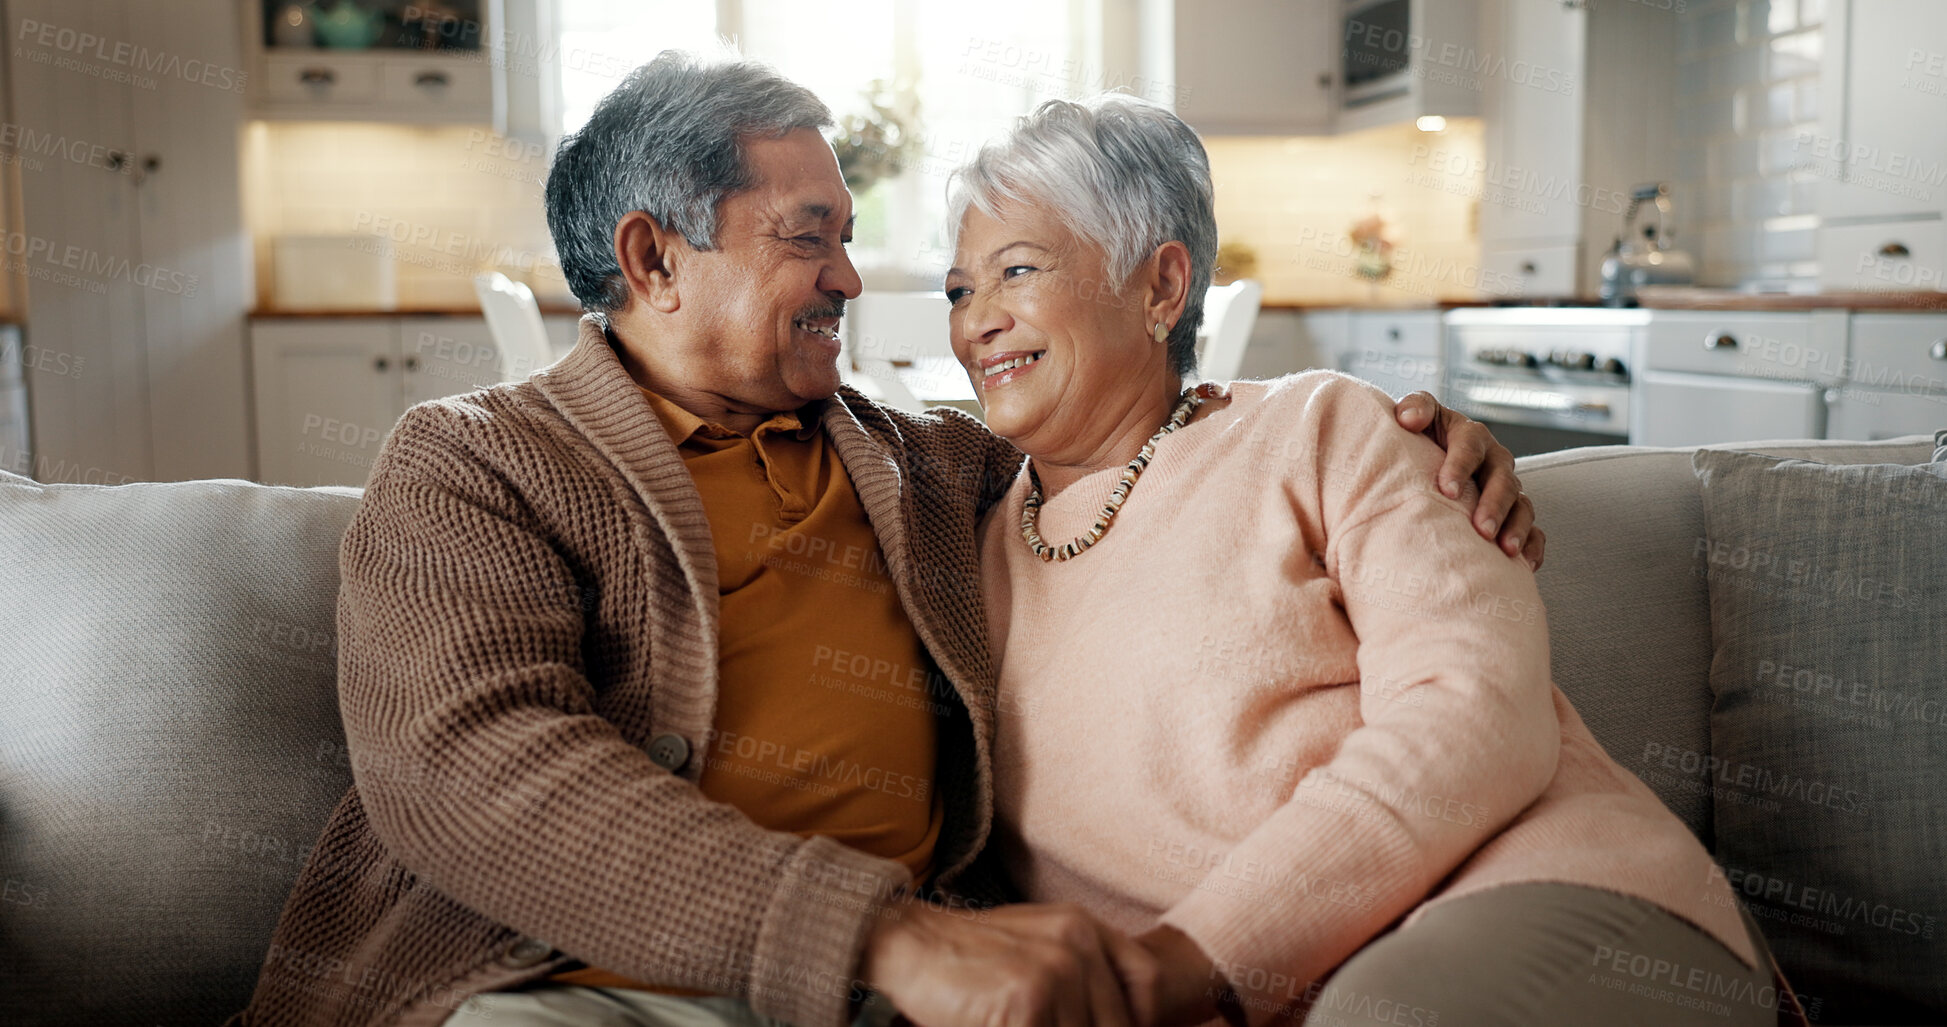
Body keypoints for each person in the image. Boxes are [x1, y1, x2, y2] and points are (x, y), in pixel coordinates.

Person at [231, 53, 1544, 1027]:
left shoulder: (926, 463)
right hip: (561, 987)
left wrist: (1407, 434)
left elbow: (1133, 438)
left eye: (849, 241)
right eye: (809, 239)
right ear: (652, 257)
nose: (856, 282)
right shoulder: (475, 462)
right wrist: (888, 937)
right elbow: (478, 769)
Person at [947, 95, 1805, 1027]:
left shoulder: (1329, 427)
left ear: (1160, 287)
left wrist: (1183, 960)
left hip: (1527, 892)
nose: (977, 321)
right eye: (958, 290)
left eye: (1016, 271)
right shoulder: (955, 543)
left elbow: (1474, 712)